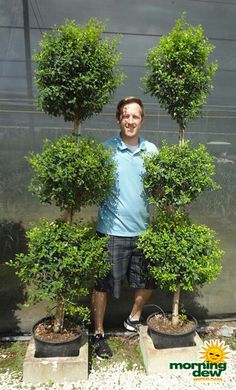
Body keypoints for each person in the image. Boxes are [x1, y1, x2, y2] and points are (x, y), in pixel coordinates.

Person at [91, 96, 158, 359]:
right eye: (126, 115)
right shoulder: (106, 150)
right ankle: (98, 333)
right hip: (111, 231)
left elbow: (158, 188)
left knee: (147, 280)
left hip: (143, 231)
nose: (130, 120)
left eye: (135, 116)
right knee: (103, 285)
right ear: (119, 118)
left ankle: (133, 318)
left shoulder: (151, 151)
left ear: (142, 120)